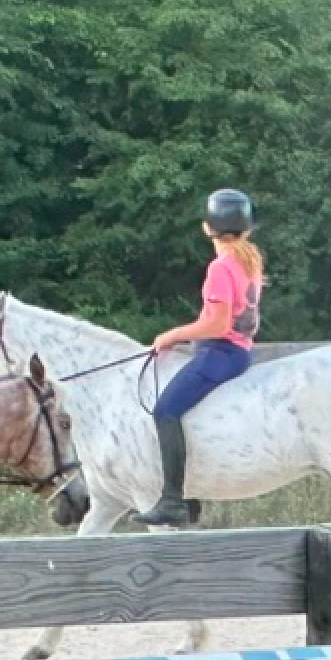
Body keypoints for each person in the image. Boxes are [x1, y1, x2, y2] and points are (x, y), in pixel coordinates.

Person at [135, 188, 264, 527]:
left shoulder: (220, 267)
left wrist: (170, 336)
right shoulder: (249, 259)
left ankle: (175, 500)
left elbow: (217, 324)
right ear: (247, 228)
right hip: (237, 351)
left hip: (220, 353)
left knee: (166, 410)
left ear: (207, 228)